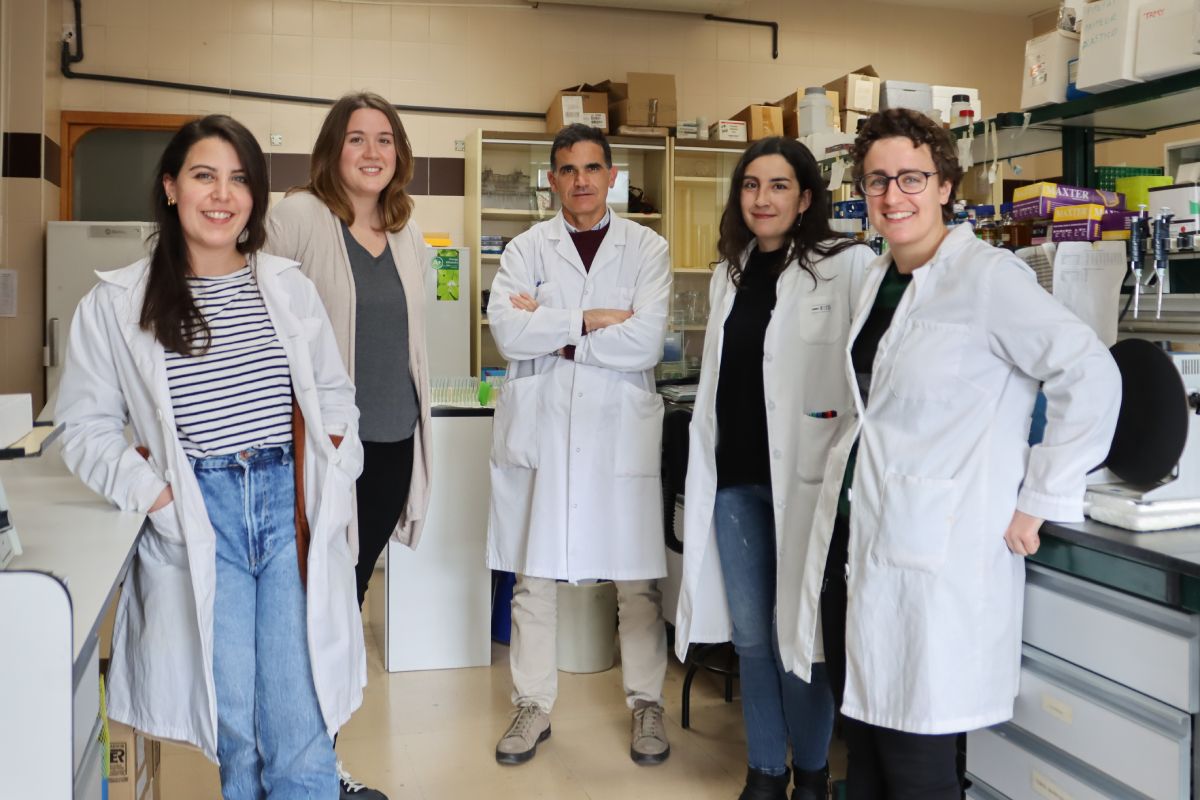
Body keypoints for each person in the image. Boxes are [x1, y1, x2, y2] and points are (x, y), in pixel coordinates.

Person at [815, 108, 1121, 799]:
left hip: (939, 554)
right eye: (877, 180)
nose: (893, 195)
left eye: (912, 178)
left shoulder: (987, 278)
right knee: (864, 748)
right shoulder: (876, 278)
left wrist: (1040, 497)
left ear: (946, 185)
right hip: (858, 537)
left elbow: (1089, 372)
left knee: (917, 762)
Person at [56, 114, 365, 799]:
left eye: (239, 180)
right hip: (200, 513)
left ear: (255, 197)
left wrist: (338, 462)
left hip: (288, 509)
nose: (222, 195)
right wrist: (157, 497)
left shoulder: (287, 286)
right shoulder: (117, 302)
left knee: (299, 720)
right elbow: (83, 425)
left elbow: (334, 394)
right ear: (170, 187)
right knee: (237, 730)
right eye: (204, 176)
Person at [675, 137, 873, 800]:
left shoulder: (846, 265)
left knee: (802, 634)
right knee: (753, 638)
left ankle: (812, 775)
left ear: (806, 197)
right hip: (734, 481)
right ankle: (765, 771)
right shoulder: (728, 274)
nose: (763, 198)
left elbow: (869, 366)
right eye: (751, 185)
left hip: (807, 482)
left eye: (779, 185)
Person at [486, 123, 672, 767]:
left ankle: (647, 704)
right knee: (532, 577)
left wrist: (555, 333)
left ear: (612, 176)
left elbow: (645, 343)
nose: (581, 181)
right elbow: (508, 334)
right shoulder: (526, 248)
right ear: (552, 179)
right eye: (568, 169)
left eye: (593, 168)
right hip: (544, 433)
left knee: (636, 581)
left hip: (617, 433)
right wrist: (591, 321)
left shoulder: (646, 248)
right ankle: (532, 706)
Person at [268, 91, 432, 800]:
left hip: (391, 445)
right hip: (324, 453)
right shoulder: (301, 217)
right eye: (357, 138)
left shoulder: (406, 231)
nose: (372, 152)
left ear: (400, 154)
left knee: (346, 604)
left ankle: (317, 763)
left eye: (385, 139)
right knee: (308, 608)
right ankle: (301, 767)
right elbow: (258, 316)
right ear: (333, 149)